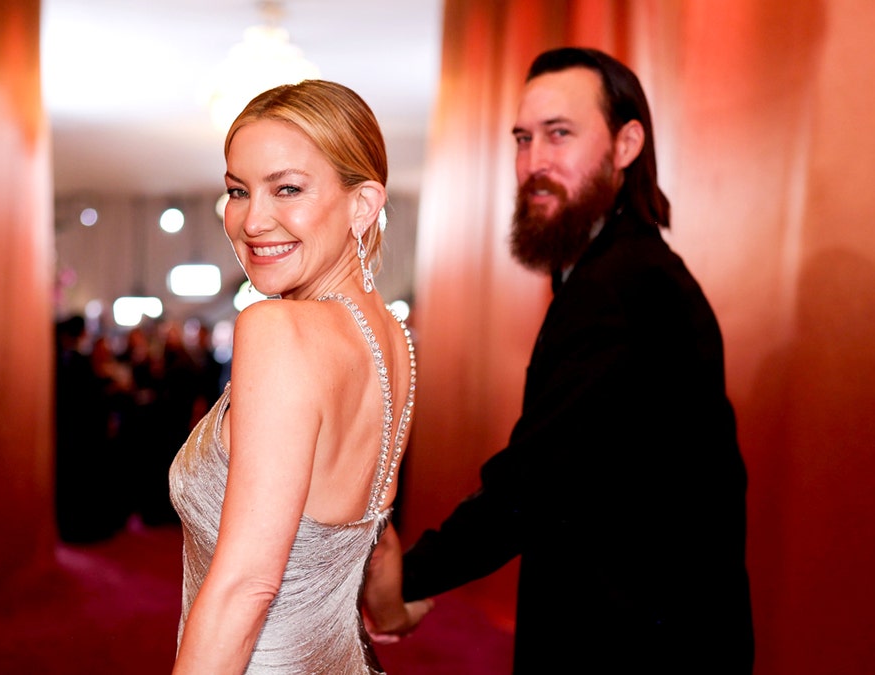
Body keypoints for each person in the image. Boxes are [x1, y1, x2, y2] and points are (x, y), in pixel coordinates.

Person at [365, 47, 754, 672]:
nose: (533, 163)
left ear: (626, 145)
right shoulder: (610, 274)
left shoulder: (625, 286)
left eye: (559, 135)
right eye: (523, 139)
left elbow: (535, 479)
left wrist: (408, 579)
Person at [168, 79, 426, 674]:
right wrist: (397, 612)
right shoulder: (395, 342)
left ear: (363, 205)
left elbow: (245, 588)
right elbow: (372, 536)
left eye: (287, 188)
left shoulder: (276, 329)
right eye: (238, 191)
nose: (253, 220)